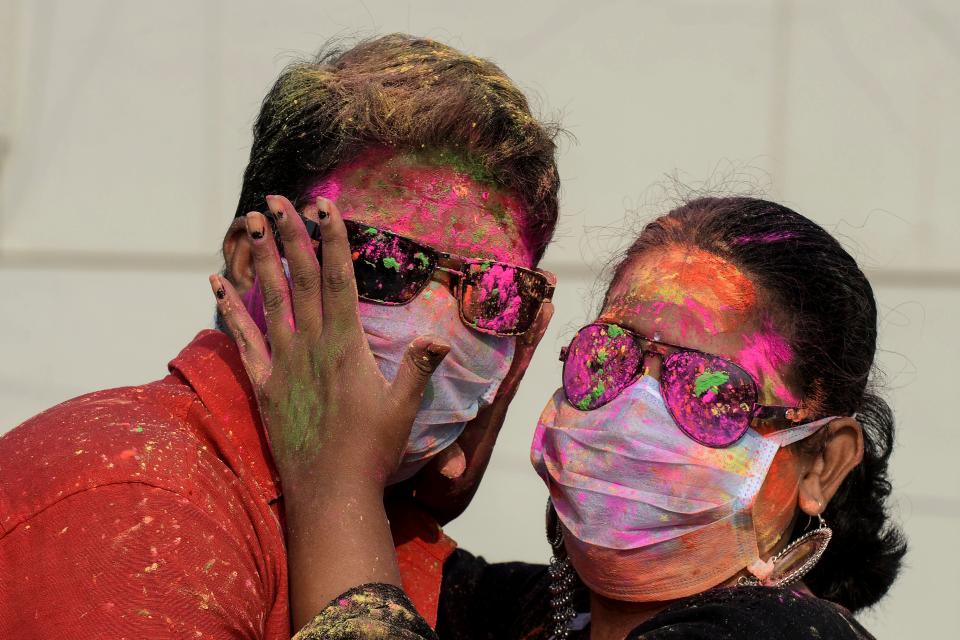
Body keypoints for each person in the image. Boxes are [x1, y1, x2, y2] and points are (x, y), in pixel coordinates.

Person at [0, 34, 559, 637]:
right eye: (378, 261)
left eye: (495, 291)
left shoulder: (383, 518)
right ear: (248, 260)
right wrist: (349, 501)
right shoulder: (137, 506)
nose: (437, 330)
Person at [222, 196, 905, 638]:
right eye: (608, 357)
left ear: (822, 463)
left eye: (708, 391)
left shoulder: (784, 634)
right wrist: (411, 481)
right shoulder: (547, 617)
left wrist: (337, 485)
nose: (631, 412)